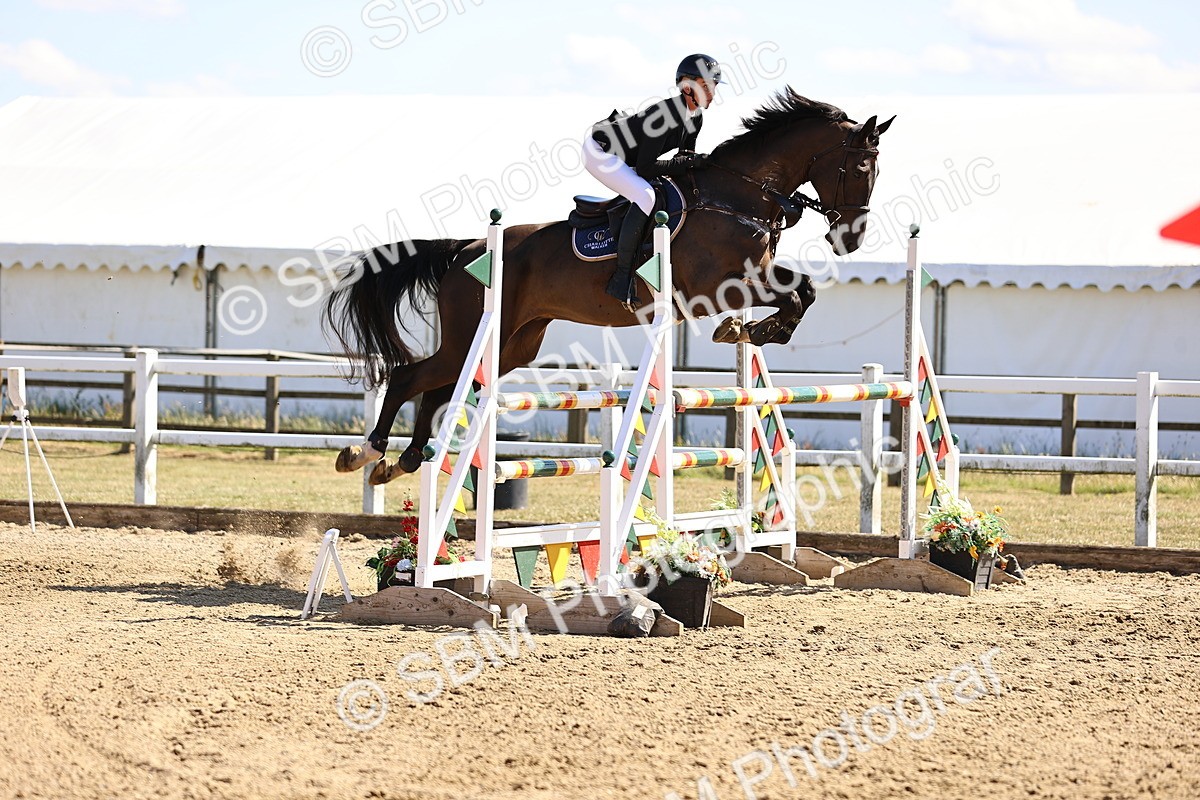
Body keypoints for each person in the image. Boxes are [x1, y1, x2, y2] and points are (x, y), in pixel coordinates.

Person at [584, 54, 721, 310]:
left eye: (713, 86)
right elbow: (647, 168)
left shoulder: (696, 118)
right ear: (687, 87)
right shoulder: (664, 115)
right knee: (646, 196)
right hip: (600, 152)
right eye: (705, 86)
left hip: (629, 156)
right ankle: (621, 279)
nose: (711, 92)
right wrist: (691, 162)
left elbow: (683, 160)